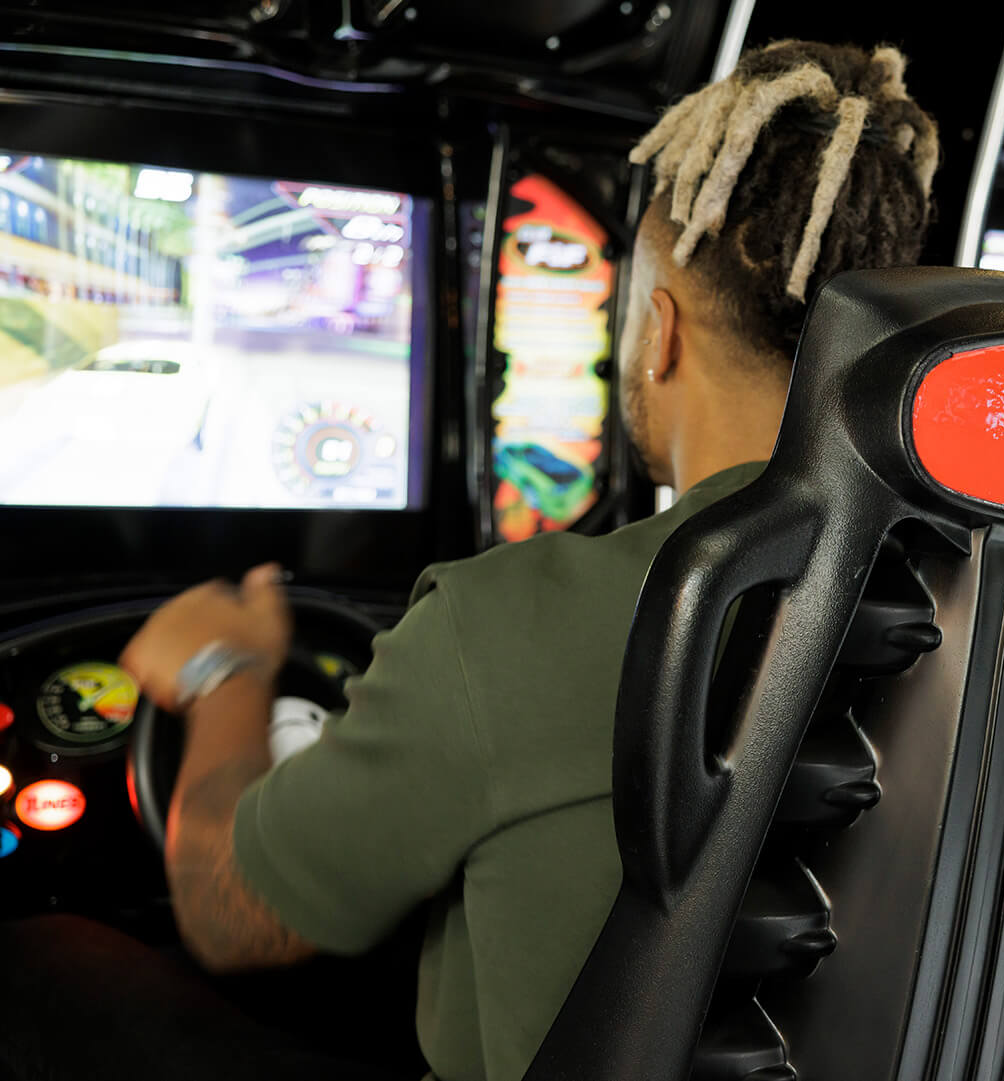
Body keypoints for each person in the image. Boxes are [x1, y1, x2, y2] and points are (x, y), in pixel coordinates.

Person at [0, 41, 938, 1081]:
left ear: (659, 333)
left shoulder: (510, 621)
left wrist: (226, 672)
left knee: (42, 961)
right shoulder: (984, 602)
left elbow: (232, 913)